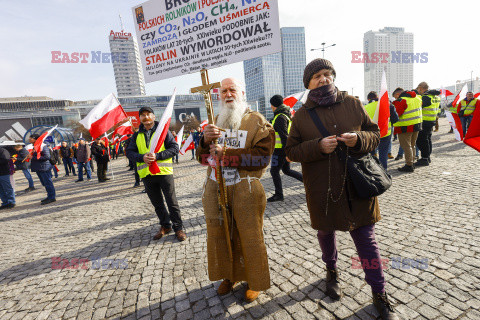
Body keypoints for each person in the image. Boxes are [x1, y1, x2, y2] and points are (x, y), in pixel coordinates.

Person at [285, 59, 398, 320]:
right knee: (326, 234)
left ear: (334, 77)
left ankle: (379, 293)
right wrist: (317, 147)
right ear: (308, 83)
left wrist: (359, 139)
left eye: (327, 74)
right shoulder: (300, 116)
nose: (323, 79)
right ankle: (332, 270)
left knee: (367, 241)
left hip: (357, 185)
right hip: (322, 190)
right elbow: (290, 152)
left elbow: (376, 134)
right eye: (317, 76)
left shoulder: (353, 103)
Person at [196, 77, 275, 303]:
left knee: (249, 236)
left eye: (232, 90)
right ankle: (230, 276)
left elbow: (262, 159)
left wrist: (227, 155)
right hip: (216, 188)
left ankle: (254, 280)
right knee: (221, 233)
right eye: (223, 91)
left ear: (241, 93)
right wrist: (204, 140)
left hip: (245, 189)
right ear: (218, 96)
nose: (228, 94)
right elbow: (201, 159)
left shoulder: (256, 121)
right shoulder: (213, 122)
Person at [126, 107, 186, 242]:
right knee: (157, 204)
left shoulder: (163, 132)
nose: (146, 117)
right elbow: (129, 152)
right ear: (140, 118)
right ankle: (165, 226)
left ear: (153, 116)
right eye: (143, 115)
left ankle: (178, 228)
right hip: (147, 174)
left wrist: (157, 156)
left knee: (172, 202)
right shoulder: (136, 135)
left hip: (163, 172)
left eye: (148, 114)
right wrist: (142, 157)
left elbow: (174, 148)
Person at [267, 94, 303, 202]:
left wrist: (288, 153)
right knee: (286, 170)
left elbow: (284, 136)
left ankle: (279, 195)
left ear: (273, 105)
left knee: (274, 171)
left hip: (280, 150)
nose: (271, 107)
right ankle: (307, 182)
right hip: (282, 149)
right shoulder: (284, 115)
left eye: (271, 105)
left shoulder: (280, 117)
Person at [364, 91, 399, 169]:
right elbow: (396, 119)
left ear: (368, 99)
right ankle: (384, 172)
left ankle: (372, 172)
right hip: (385, 133)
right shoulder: (388, 105)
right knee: (383, 154)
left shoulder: (365, 107)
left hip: (371, 135)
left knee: (371, 154)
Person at [392, 87, 422, 173]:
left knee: (406, 146)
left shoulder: (401, 100)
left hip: (405, 126)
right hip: (417, 125)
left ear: (397, 94)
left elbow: (397, 114)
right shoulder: (417, 98)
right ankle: (412, 163)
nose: (395, 99)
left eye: (395, 97)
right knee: (412, 145)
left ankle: (409, 165)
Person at [414, 82, 441, 167]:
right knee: (428, 139)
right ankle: (427, 157)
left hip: (424, 121)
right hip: (431, 120)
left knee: (422, 140)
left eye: (418, 89)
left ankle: (424, 158)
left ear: (421, 88)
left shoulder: (425, 97)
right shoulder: (435, 97)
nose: (418, 91)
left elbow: (418, 107)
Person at [28, 134, 56, 204]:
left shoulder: (43, 146)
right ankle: (49, 196)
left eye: (30, 138)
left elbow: (47, 157)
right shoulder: (36, 146)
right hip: (39, 168)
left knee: (48, 183)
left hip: (44, 168)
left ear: (35, 139)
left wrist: (32, 158)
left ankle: (52, 197)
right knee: (45, 183)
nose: (29, 139)